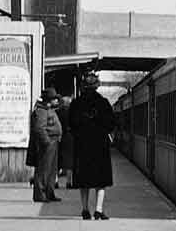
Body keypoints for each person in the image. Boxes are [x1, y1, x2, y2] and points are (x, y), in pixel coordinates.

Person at [69, 72, 115, 220]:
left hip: (82, 145)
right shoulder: (104, 103)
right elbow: (111, 124)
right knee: (100, 181)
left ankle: (84, 210)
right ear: (97, 86)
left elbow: (71, 124)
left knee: (84, 181)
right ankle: (98, 210)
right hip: (99, 146)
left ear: (83, 86)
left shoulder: (76, 103)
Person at [30, 88, 63, 203]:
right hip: (47, 143)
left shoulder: (48, 109)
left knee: (51, 170)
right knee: (43, 169)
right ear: (49, 100)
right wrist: (47, 141)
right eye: (55, 99)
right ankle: (40, 194)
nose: (57, 101)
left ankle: (49, 192)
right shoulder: (41, 111)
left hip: (53, 142)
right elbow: (39, 128)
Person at [57, 93, 75, 188]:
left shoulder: (57, 112)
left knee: (57, 160)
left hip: (59, 138)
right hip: (70, 138)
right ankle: (69, 182)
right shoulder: (73, 113)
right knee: (69, 162)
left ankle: (55, 182)